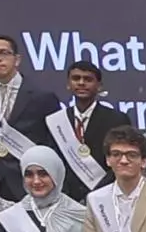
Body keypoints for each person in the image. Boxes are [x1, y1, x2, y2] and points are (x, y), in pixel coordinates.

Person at [36, 61, 137, 197]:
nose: (81, 83)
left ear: (99, 86)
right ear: (68, 84)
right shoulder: (55, 121)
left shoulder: (117, 119)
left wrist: (98, 192)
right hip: (64, 196)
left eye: (88, 79)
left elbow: (121, 159)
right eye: (76, 78)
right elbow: (51, 160)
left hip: (105, 194)